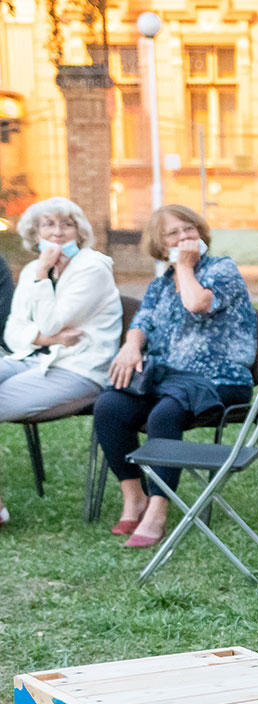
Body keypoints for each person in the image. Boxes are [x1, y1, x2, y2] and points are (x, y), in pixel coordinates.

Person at [94, 205, 257, 548]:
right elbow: (141, 322)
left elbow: (197, 303)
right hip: (169, 379)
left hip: (220, 380)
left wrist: (184, 266)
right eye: (173, 233)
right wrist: (131, 346)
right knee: (109, 405)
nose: (184, 237)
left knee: (164, 413)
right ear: (160, 243)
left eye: (189, 229)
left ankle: (158, 510)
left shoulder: (222, 269)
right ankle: (134, 497)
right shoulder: (160, 284)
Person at [0, 197, 122, 526]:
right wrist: (47, 339)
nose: (57, 232)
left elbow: (51, 321)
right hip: (33, 359)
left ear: (79, 232)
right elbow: (12, 332)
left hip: (79, 369)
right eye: (48, 224)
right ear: (35, 232)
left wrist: (43, 275)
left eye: (67, 224)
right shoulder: (32, 269)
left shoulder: (92, 267)